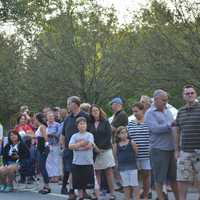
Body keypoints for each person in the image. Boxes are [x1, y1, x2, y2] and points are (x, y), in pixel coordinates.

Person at [144, 89, 179, 200]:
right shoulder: (149, 113)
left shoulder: (168, 111)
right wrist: (170, 124)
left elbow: (173, 128)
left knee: (174, 178)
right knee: (159, 179)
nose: (165, 102)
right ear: (155, 100)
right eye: (163, 100)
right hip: (158, 150)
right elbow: (155, 129)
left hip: (171, 149)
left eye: (167, 100)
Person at [60, 96, 90, 199]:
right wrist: (64, 147)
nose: (67, 106)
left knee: (82, 171)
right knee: (69, 170)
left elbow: (89, 132)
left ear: (75, 104)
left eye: (68, 103)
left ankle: (83, 191)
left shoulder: (85, 116)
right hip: (69, 148)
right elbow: (63, 134)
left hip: (82, 149)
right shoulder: (68, 118)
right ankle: (70, 191)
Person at [176, 85, 200, 200]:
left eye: (192, 93)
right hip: (185, 151)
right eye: (187, 93)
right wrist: (176, 150)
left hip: (199, 151)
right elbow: (177, 131)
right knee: (182, 180)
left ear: (195, 94)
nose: (190, 95)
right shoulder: (180, 111)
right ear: (183, 96)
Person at [89, 104, 115, 199]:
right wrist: (95, 148)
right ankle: (97, 194)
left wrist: (100, 148)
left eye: (96, 110)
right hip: (94, 151)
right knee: (97, 172)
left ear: (100, 111)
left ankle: (112, 193)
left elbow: (108, 136)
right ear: (91, 113)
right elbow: (89, 136)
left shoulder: (105, 122)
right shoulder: (90, 124)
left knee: (109, 172)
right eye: (93, 111)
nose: (95, 112)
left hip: (105, 150)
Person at [127, 102, 151, 200]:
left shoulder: (149, 122)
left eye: (136, 111)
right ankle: (135, 196)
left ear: (142, 110)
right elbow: (127, 137)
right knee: (134, 177)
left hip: (146, 154)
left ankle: (145, 196)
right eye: (133, 112)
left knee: (146, 175)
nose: (135, 113)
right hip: (133, 155)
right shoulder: (130, 123)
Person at [69, 117, 96, 200]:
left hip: (88, 162)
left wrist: (77, 146)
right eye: (80, 124)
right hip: (77, 162)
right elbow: (70, 146)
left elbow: (89, 146)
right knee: (78, 183)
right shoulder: (74, 136)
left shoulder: (89, 135)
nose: (82, 125)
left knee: (88, 182)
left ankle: (89, 194)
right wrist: (82, 144)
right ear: (77, 126)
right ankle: (80, 197)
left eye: (84, 124)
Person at [113, 126, 140, 200]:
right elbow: (115, 157)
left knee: (134, 184)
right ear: (118, 135)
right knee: (126, 185)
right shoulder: (116, 145)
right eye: (122, 133)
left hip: (132, 166)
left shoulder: (132, 142)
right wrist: (116, 169)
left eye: (125, 132)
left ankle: (137, 198)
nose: (124, 134)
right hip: (122, 168)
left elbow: (136, 153)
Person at [34, 112, 51, 194]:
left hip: (43, 148)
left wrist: (45, 148)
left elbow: (46, 138)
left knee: (42, 167)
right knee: (41, 167)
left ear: (38, 119)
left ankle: (47, 186)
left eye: (35, 119)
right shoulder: (40, 127)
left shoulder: (42, 127)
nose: (34, 120)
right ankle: (45, 185)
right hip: (40, 148)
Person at [46, 111, 61, 183]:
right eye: (49, 116)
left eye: (52, 116)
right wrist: (50, 134)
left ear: (54, 117)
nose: (50, 118)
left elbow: (58, 134)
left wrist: (50, 134)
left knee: (56, 160)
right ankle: (51, 176)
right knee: (49, 160)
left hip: (55, 144)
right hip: (48, 144)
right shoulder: (45, 125)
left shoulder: (57, 125)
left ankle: (57, 176)